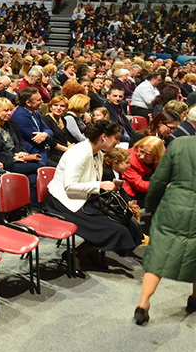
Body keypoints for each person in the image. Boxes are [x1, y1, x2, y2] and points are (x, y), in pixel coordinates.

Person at [44, 120, 142, 273]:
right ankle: (75, 253)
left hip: (85, 197)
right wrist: (101, 185)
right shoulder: (79, 153)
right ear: (104, 137)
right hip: (64, 201)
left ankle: (91, 250)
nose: (118, 142)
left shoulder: (98, 155)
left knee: (128, 221)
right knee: (115, 229)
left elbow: (92, 181)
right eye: (116, 138)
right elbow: (69, 187)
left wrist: (108, 186)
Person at [133, 135, 196, 325]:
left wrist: (151, 206)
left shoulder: (179, 144)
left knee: (159, 254)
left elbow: (159, 180)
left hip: (174, 205)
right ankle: (194, 299)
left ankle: (143, 302)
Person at [10, 87, 52, 165]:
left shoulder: (35, 112)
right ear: (28, 103)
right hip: (31, 154)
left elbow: (47, 129)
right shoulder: (20, 116)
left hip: (42, 151)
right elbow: (36, 140)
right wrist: (46, 136)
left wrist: (46, 134)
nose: (42, 102)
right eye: (38, 100)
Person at [122, 136, 164, 207]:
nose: (141, 156)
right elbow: (139, 185)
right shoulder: (128, 160)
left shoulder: (161, 154)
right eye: (141, 151)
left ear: (156, 156)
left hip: (150, 187)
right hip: (133, 193)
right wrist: (161, 186)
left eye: (147, 155)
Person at [42, 95, 73, 165]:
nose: (58, 108)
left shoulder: (63, 120)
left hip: (64, 150)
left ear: (66, 109)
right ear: (51, 107)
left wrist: (70, 146)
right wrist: (68, 150)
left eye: (62, 106)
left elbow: (64, 137)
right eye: (55, 105)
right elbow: (51, 142)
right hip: (53, 152)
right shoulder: (45, 119)